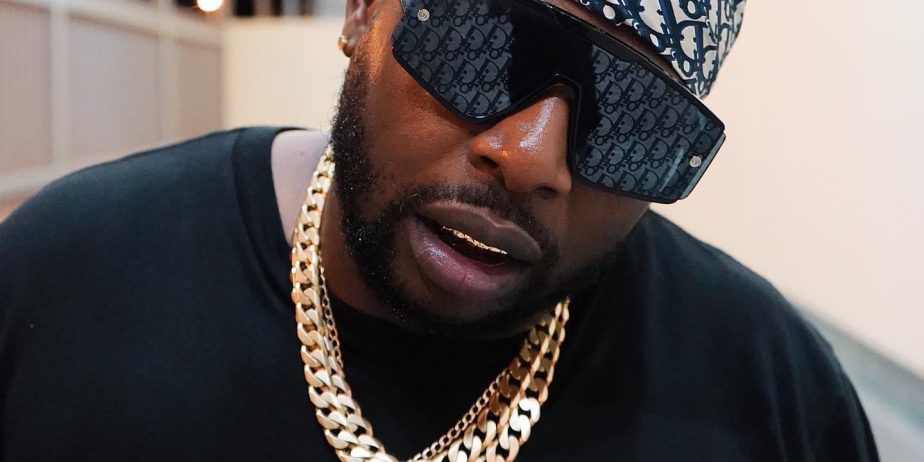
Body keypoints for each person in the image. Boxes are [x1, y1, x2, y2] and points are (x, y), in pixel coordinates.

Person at [0, 0, 879, 460]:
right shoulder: (64, 279)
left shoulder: (768, 393)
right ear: (362, 11)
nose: (530, 157)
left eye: (632, 120)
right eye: (485, 43)